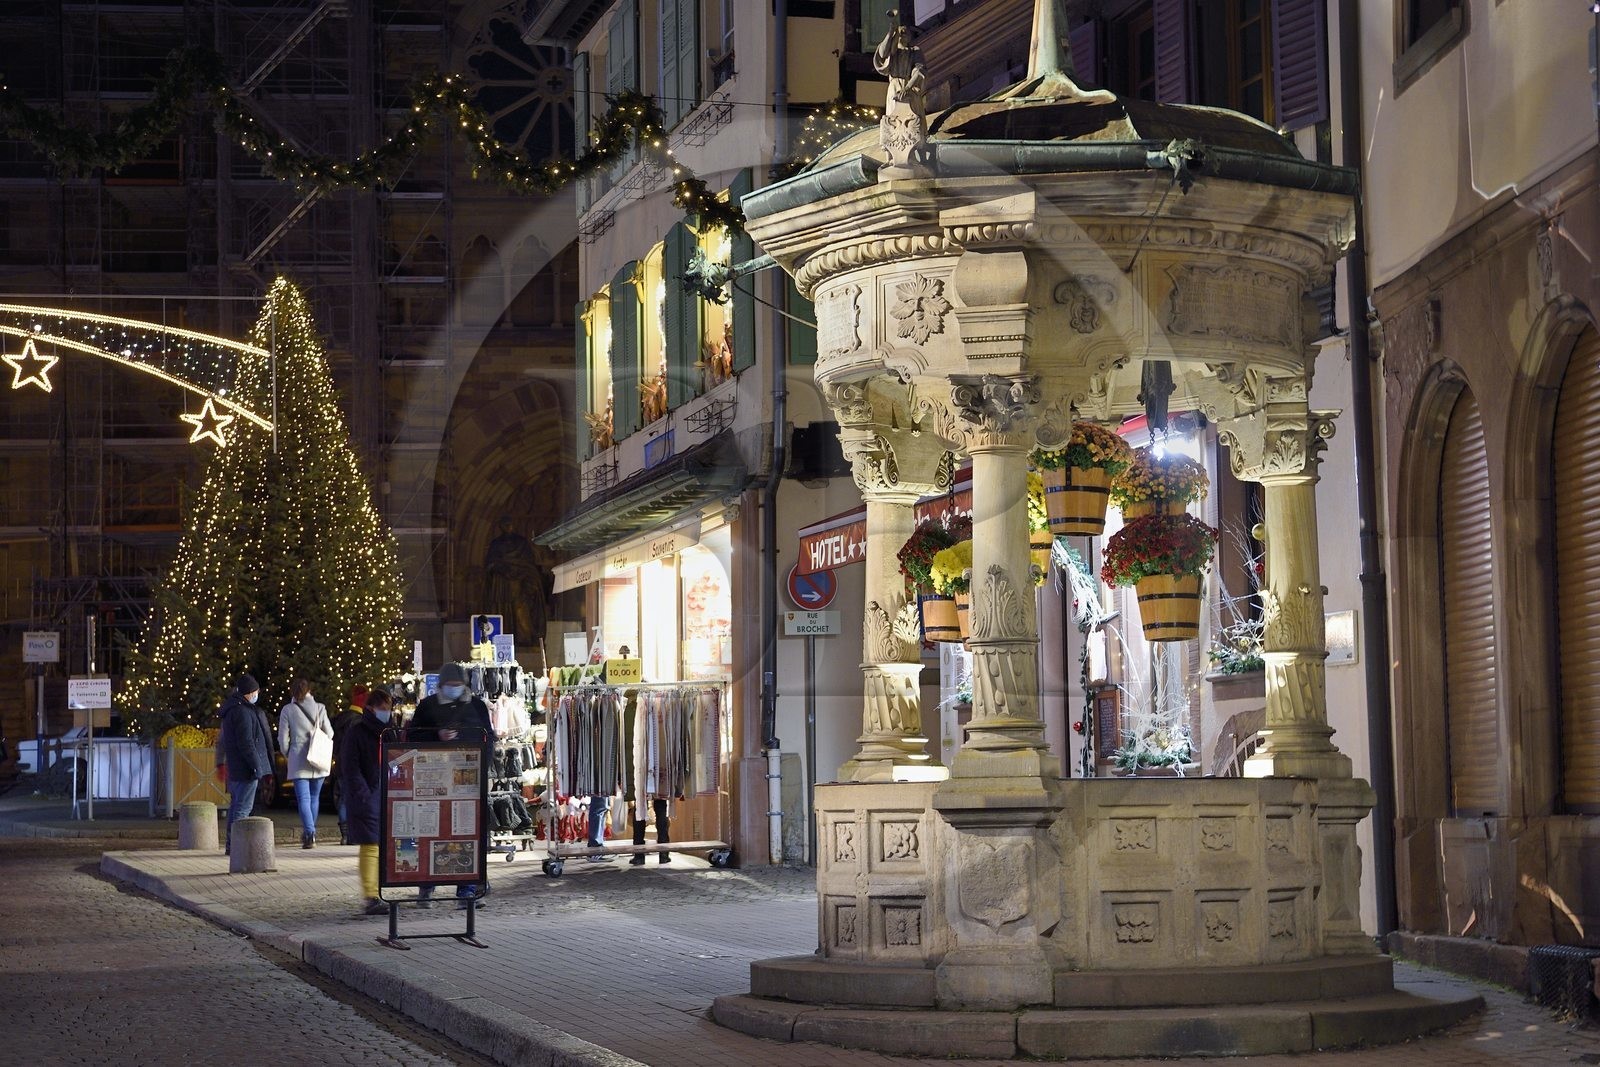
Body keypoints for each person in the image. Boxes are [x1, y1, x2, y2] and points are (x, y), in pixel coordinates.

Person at [409, 663, 494, 908]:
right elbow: (412, 737)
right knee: (431, 832)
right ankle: (426, 887)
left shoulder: (476, 706)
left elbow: (487, 738)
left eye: (458, 685)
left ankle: (466, 889)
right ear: (442, 685)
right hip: (433, 780)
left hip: (467, 781)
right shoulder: (427, 707)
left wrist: (481, 768)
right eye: (451, 685)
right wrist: (437, 736)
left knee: (467, 833)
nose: (455, 689)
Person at [342, 688, 392, 916]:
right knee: (371, 845)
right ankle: (370, 895)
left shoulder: (389, 732)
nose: (387, 713)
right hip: (367, 796)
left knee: (380, 846)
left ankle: (376, 892)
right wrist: (363, 794)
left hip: (384, 794)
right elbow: (351, 768)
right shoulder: (358, 732)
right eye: (383, 709)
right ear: (370, 708)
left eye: (389, 709)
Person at [219, 674, 273, 855]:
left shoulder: (234, 709)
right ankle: (236, 847)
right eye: (256, 691)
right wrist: (257, 766)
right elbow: (247, 743)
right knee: (242, 809)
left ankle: (231, 845)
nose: (258, 694)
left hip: (237, 767)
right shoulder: (242, 712)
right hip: (245, 768)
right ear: (250, 692)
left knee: (237, 806)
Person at [279, 678, 334, 849]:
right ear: (310, 690)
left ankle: (310, 834)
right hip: (318, 758)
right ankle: (310, 832)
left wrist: (288, 752)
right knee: (314, 798)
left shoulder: (287, 710)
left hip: (298, 758)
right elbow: (330, 733)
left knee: (303, 798)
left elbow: (282, 738)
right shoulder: (320, 708)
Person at [331, 684, 368, 845]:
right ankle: (352, 834)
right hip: (355, 765)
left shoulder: (340, 717)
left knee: (344, 799)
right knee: (354, 799)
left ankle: (345, 834)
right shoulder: (359, 721)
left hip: (340, 764)